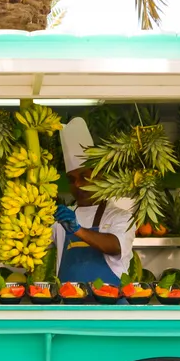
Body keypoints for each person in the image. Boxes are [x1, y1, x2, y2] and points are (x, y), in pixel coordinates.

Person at [53, 117, 136, 286]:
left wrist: (77, 230)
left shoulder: (121, 217)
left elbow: (115, 246)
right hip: (68, 300)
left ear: (100, 176)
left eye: (84, 177)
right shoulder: (61, 219)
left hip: (110, 300)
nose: (77, 184)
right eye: (71, 180)